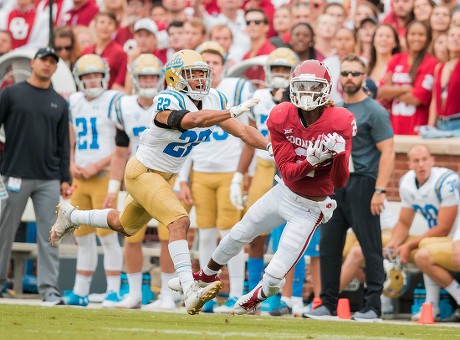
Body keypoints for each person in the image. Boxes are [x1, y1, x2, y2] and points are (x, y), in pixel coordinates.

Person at [49, 49, 270, 315]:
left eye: (203, 73)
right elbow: (193, 120)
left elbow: (245, 132)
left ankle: (72, 216)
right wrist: (228, 112)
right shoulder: (166, 98)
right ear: (175, 78)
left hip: (165, 175)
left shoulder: (214, 98)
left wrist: (272, 148)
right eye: (193, 74)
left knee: (124, 225)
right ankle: (189, 290)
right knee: (180, 221)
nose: (200, 79)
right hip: (142, 172)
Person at [170, 59, 356, 315]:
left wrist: (336, 157)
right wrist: (313, 159)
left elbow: (339, 181)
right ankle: (207, 275)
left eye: (314, 87)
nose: (308, 93)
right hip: (284, 191)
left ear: (326, 90)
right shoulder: (281, 114)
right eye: (302, 86)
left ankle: (250, 301)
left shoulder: (341, 120)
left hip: (312, 207)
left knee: (275, 273)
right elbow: (289, 172)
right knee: (238, 233)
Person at [305, 54, 394, 322]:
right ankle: (328, 303)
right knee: (329, 244)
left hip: (363, 183)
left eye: (355, 73)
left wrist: (380, 190)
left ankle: (373, 306)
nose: (350, 78)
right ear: (338, 78)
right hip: (335, 182)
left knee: (370, 245)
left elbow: (388, 152)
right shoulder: (334, 109)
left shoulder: (375, 111)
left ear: (364, 76)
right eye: (345, 73)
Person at [177, 41, 254, 313]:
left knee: (231, 234)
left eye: (214, 63)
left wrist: (243, 173)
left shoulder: (236, 88)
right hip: (200, 171)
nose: (208, 69)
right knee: (206, 234)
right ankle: (207, 292)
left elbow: (249, 131)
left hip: (228, 171)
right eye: (202, 65)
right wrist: (183, 179)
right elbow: (183, 139)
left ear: (224, 65)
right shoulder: (187, 92)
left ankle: (237, 293)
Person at [105, 53, 176, 310]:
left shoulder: (172, 104)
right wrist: (114, 188)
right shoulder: (123, 107)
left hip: (167, 175)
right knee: (130, 234)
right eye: (143, 76)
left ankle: (168, 294)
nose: (147, 81)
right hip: (137, 176)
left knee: (170, 235)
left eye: (152, 76)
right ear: (134, 79)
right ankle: (134, 292)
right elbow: (120, 152)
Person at [0, 47, 71, 304]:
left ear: (55, 67)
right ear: (32, 63)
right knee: (3, 232)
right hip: (13, 175)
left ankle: (49, 289)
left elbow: (63, 144)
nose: (47, 65)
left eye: (53, 62)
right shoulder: (10, 93)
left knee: (51, 235)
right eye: (44, 60)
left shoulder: (59, 102)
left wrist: (66, 179)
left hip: (49, 179)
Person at [64, 54, 124, 308]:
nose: (92, 80)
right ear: (79, 78)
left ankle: (113, 290)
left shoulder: (114, 100)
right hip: (80, 177)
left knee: (108, 236)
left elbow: (124, 145)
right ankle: (80, 290)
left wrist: (97, 165)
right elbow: (69, 139)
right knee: (83, 236)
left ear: (105, 76)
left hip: (102, 176)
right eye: (87, 76)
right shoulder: (74, 101)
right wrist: (70, 164)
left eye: (96, 75)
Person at [388, 144, 459, 321]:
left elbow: (443, 228)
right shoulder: (406, 182)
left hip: (454, 236)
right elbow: (404, 222)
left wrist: (408, 245)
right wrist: (395, 244)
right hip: (441, 240)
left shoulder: (446, 181)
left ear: (432, 160)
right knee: (390, 243)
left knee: (423, 253)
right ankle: (430, 306)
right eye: (416, 161)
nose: (421, 164)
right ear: (409, 164)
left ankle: (442, 302)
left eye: (425, 159)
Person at [378, 21, 437, 135]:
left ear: (428, 38)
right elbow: (381, 92)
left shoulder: (430, 62)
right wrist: (407, 88)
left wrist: (391, 89)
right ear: (406, 36)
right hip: (393, 128)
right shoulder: (396, 59)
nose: (416, 38)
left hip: (416, 129)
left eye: (421, 34)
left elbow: (416, 99)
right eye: (412, 34)